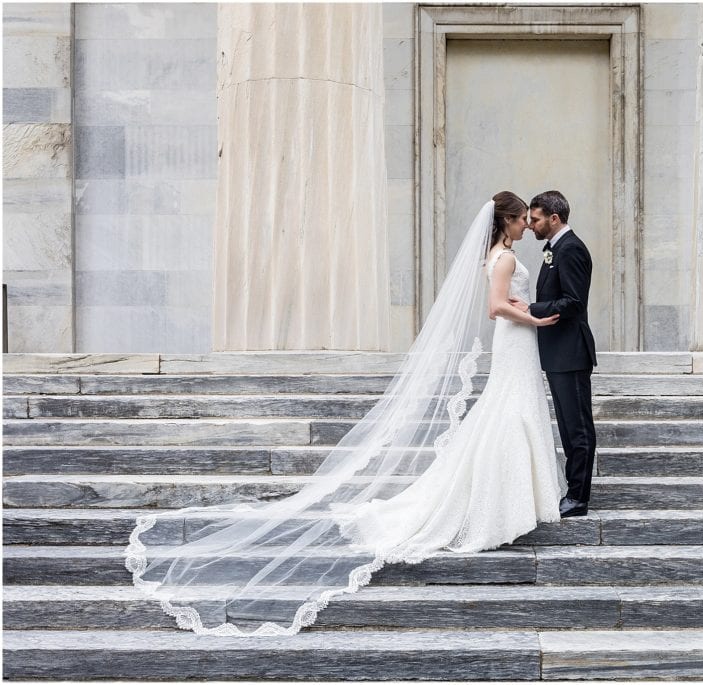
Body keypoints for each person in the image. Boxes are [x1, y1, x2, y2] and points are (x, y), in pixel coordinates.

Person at [125, 192, 565, 637]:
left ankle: (510, 497)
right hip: (516, 340)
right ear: (506, 221)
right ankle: (498, 504)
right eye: (521, 220)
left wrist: (526, 311)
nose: (527, 225)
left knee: (508, 411)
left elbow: (504, 302)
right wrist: (538, 320)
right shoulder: (505, 259)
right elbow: (495, 308)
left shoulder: (495, 256)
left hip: (516, 341)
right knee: (509, 411)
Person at [511, 190, 597, 517]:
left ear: (554, 218)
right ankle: (573, 491)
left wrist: (531, 308)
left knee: (577, 428)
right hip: (558, 353)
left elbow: (574, 303)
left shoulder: (572, 249)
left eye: (535, 219)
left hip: (571, 352)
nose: (531, 225)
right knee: (567, 425)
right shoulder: (555, 249)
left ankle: (578, 497)